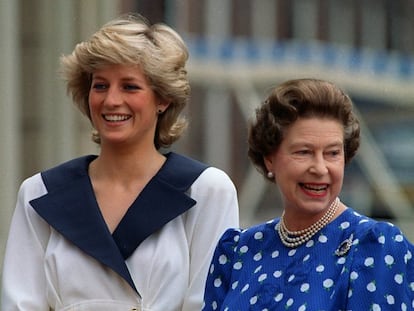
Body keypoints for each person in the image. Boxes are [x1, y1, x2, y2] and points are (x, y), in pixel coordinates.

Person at [1, 14, 239, 311]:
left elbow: (208, 305)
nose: (111, 100)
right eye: (100, 86)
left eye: (129, 86)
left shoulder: (206, 191)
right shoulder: (39, 193)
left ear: (163, 99)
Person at [202, 78, 414, 310]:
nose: (320, 168)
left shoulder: (374, 246)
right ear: (270, 158)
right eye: (304, 152)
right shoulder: (239, 251)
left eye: (332, 153)